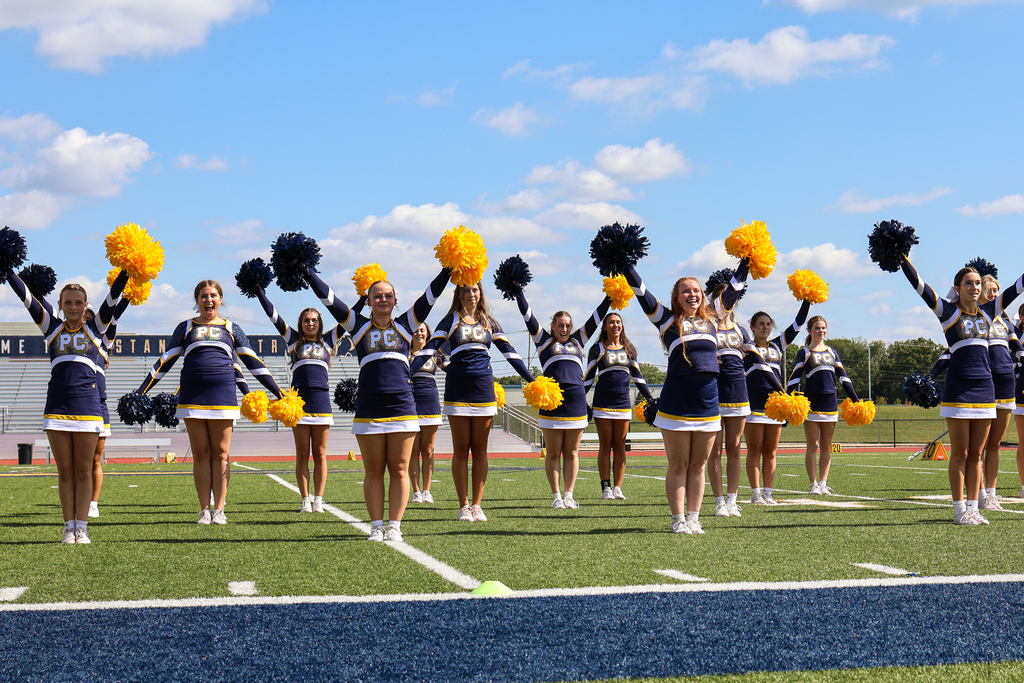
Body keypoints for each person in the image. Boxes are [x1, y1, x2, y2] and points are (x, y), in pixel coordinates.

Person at [307, 267, 451, 541]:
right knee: (373, 471)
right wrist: (308, 271)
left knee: (399, 469)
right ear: (369, 300)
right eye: (377, 296)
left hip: (403, 407)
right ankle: (376, 525)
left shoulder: (407, 324)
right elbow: (330, 300)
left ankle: (394, 525)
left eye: (388, 296)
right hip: (369, 408)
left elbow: (431, 296)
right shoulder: (359, 326)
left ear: (395, 301)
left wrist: (448, 268)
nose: (383, 300)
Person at [134, 280, 284, 526]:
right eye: (203, 296)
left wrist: (278, 393)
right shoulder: (186, 327)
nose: (208, 300)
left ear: (221, 299)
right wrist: (141, 391)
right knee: (201, 453)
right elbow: (165, 361)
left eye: (213, 295)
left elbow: (252, 362)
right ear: (197, 301)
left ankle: (220, 509)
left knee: (221, 453)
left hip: (223, 396)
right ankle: (204, 509)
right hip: (192, 395)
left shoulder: (231, 327)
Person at [7, 268, 128, 543]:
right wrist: (7, 269)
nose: (73, 307)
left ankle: (82, 526)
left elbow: (114, 296)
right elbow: (25, 297)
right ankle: (68, 526)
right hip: (57, 408)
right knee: (64, 471)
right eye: (68, 302)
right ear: (60, 306)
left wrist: (128, 269)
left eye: (78, 302)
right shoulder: (52, 328)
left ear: (86, 306)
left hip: (88, 409)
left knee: (84, 470)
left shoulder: (96, 328)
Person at [411, 282, 535, 522]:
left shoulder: (489, 321)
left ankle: (477, 504)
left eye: (475, 290)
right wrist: (406, 373)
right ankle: (463, 505)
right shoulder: (450, 321)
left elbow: (510, 353)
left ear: (481, 293)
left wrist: (532, 379)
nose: (471, 294)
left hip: (483, 390)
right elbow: (429, 349)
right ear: (459, 294)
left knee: (480, 449)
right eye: (466, 290)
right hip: (458, 390)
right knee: (461, 449)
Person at [899, 260, 1001, 525]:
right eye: (968, 283)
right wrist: (901, 256)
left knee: (977, 454)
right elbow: (920, 285)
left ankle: (973, 508)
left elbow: (1016, 289)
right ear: (958, 288)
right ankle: (959, 511)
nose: (975, 287)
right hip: (958, 391)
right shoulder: (948, 313)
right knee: (961, 453)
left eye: (978, 283)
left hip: (985, 390)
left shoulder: (989, 312)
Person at [623, 266, 719, 534]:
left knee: (699, 465)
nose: (692, 294)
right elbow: (642, 293)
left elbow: (734, 289)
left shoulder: (713, 319)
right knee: (679, 464)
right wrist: (625, 263)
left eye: (696, 290)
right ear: (676, 297)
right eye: (686, 290)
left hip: (708, 401)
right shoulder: (666, 319)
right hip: (677, 401)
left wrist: (747, 258)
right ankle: (678, 519)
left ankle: (694, 517)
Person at [514, 289, 610, 509]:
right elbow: (528, 316)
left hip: (576, 401)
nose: (565, 329)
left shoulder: (578, 341)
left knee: (573, 451)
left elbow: (596, 318)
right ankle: (556, 496)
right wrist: (517, 290)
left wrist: (609, 297)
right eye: (560, 325)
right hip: (552, 402)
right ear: (553, 327)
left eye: (568, 325)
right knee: (554, 452)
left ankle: (569, 495)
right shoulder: (544, 342)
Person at [255, 286, 341, 513]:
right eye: (306, 320)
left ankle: (319, 500)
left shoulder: (328, 341)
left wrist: (363, 298)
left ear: (319, 323)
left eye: (314, 320)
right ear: (301, 323)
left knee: (320, 454)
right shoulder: (293, 341)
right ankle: (305, 499)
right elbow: (273, 315)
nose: (310, 324)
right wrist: (259, 292)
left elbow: (347, 320)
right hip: (299, 406)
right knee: (302, 453)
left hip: (322, 403)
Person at [744, 302, 811, 506]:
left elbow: (798, 325)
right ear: (752, 328)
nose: (765, 327)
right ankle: (756, 493)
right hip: (754, 404)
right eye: (761, 324)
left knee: (771, 451)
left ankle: (768, 493)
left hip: (775, 405)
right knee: (755, 451)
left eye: (768, 324)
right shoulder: (747, 348)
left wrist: (806, 300)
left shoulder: (776, 346)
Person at [787, 315, 862, 495]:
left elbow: (843, 377)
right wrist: (788, 400)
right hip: (812, 402)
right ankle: (813, 484)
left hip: (830, 401)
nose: (821, 331)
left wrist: (856, 399)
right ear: (810, 330)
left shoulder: (832, 352)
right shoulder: (804, 352)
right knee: (812, 444)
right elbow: (795, 378)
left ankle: (823, 483)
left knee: (827, 445)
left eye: (823, 328)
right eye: (817, 328)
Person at [583, 312, 654, 501]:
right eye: (611, 322)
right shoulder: (597, 348)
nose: (616, 325)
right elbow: (589, 376)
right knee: (605, 445)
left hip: (623, 403)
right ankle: (606, 487)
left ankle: (618, 488)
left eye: (618, 322)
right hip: (603, 402)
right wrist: (580, 397)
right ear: (605, 327)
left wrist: (650, 398)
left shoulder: (629, 349)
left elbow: (638, 376)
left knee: (620, 445)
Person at [707, 263, 750, 517]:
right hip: (714, 390)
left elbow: (752, 358)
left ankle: (733, 499)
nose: (727, 302)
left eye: (730, 298)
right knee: (715, 449)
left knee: (735, 446)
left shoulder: (741, 330)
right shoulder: (708, 325)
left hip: (738, 390)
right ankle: (718, 501)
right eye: (721, 298)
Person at [409, 322, 443, 504]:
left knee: (428, 449)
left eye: (422, 330)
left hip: (430, 403)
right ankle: (415, 491)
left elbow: (452, 369)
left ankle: (426, 490)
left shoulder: (435, 354)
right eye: (415, 330)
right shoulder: (404, 354)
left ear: (428, 334)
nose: (419, 333)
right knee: (413, 450)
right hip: (410, 404)